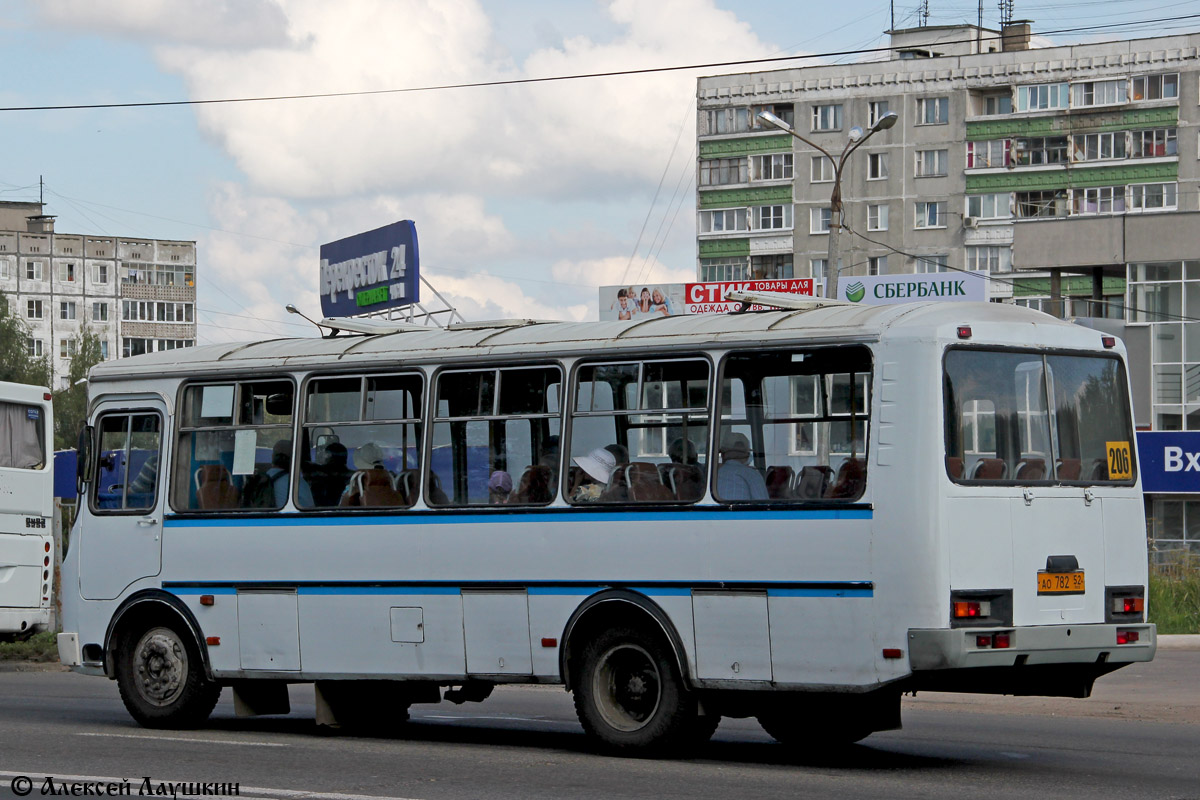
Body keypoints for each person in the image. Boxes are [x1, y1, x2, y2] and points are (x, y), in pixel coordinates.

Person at [716, 432, 768, 501]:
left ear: (723, 454)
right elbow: (763, 504)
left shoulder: (713, 475)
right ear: (747, 455)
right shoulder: (752, 474)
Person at [267, 439, 313, 507]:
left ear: (272, 457)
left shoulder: (260, 480)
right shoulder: (298, 483)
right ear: (292, 459)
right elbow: (310, 510)